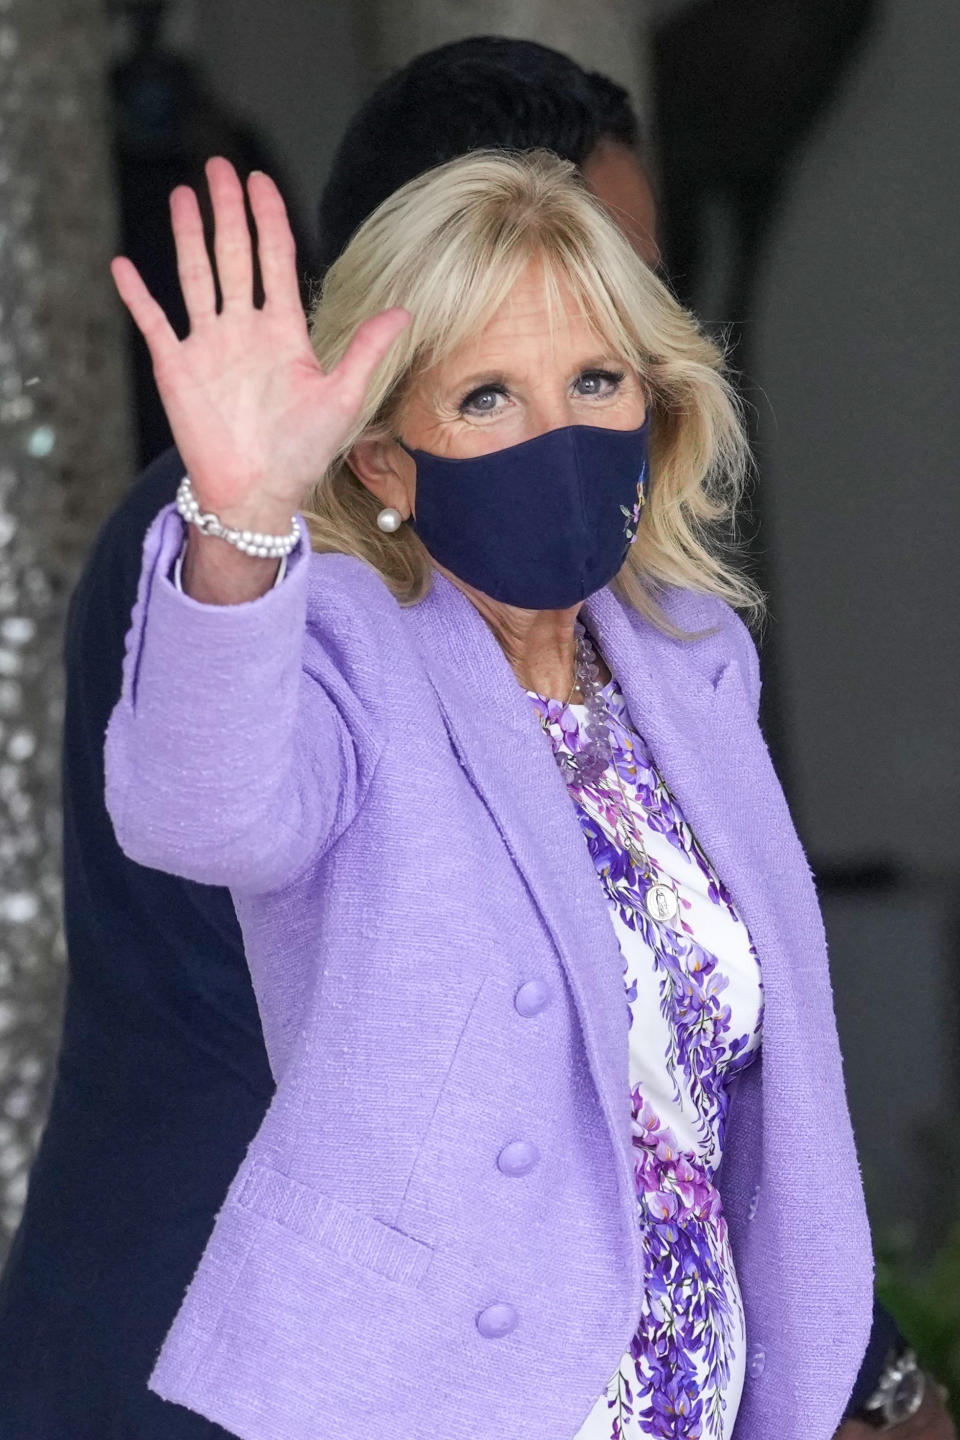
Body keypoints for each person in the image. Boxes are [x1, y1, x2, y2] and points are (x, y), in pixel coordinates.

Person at [0, 34, 947, 1440]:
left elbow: (722, 1096)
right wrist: (245, 519)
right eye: (490, 396)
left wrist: (854, 1365)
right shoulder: (314, 619)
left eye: (598, 380)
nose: (556, 435)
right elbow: (208, 813)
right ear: (385, 451)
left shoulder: (687, 658)